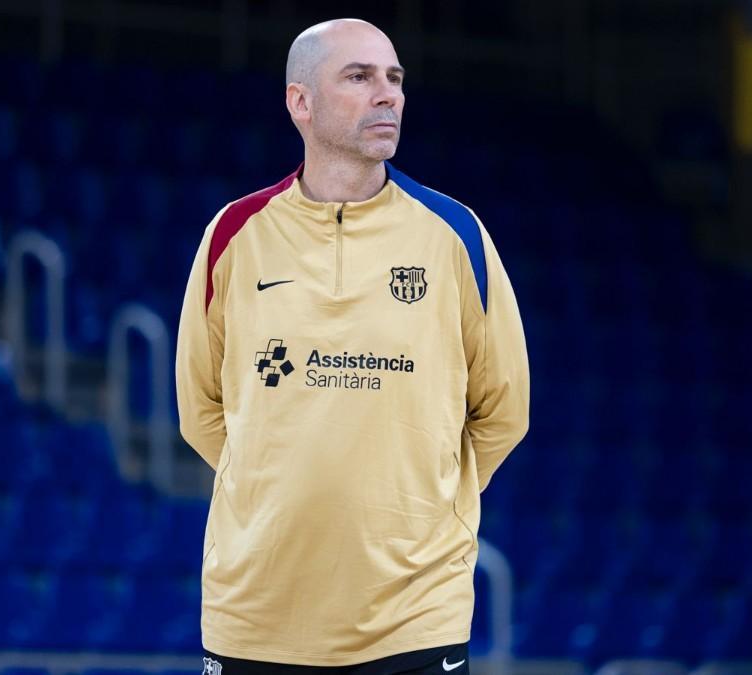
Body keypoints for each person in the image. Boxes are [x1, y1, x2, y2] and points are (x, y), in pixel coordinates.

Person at [175, 18, 530, 675]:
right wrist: (280, 487)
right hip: (255, 616)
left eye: (394, 78)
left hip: (415, 619)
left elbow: (504, 411)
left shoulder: (456, 235)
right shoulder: (233, 234)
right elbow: (200, 410)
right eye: (360, 76)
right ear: (300, 102)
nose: (388, 93)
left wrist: (423, 506)